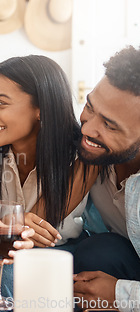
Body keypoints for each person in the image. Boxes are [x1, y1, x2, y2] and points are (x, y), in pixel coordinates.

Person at [0, 55, 98, 310]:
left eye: (0, 103)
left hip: (63, 255)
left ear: (41, 109)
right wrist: (14, 222)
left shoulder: (83, 155)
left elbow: (37, 230)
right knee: (5, 271)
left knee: (18, 273)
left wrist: (11, 223)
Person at [73, 45, 140, 311]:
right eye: (90, 107)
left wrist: (120, 295)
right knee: (98, 251)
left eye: (109, 125)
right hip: (117, 260)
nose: (87, 128)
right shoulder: (89, 151)